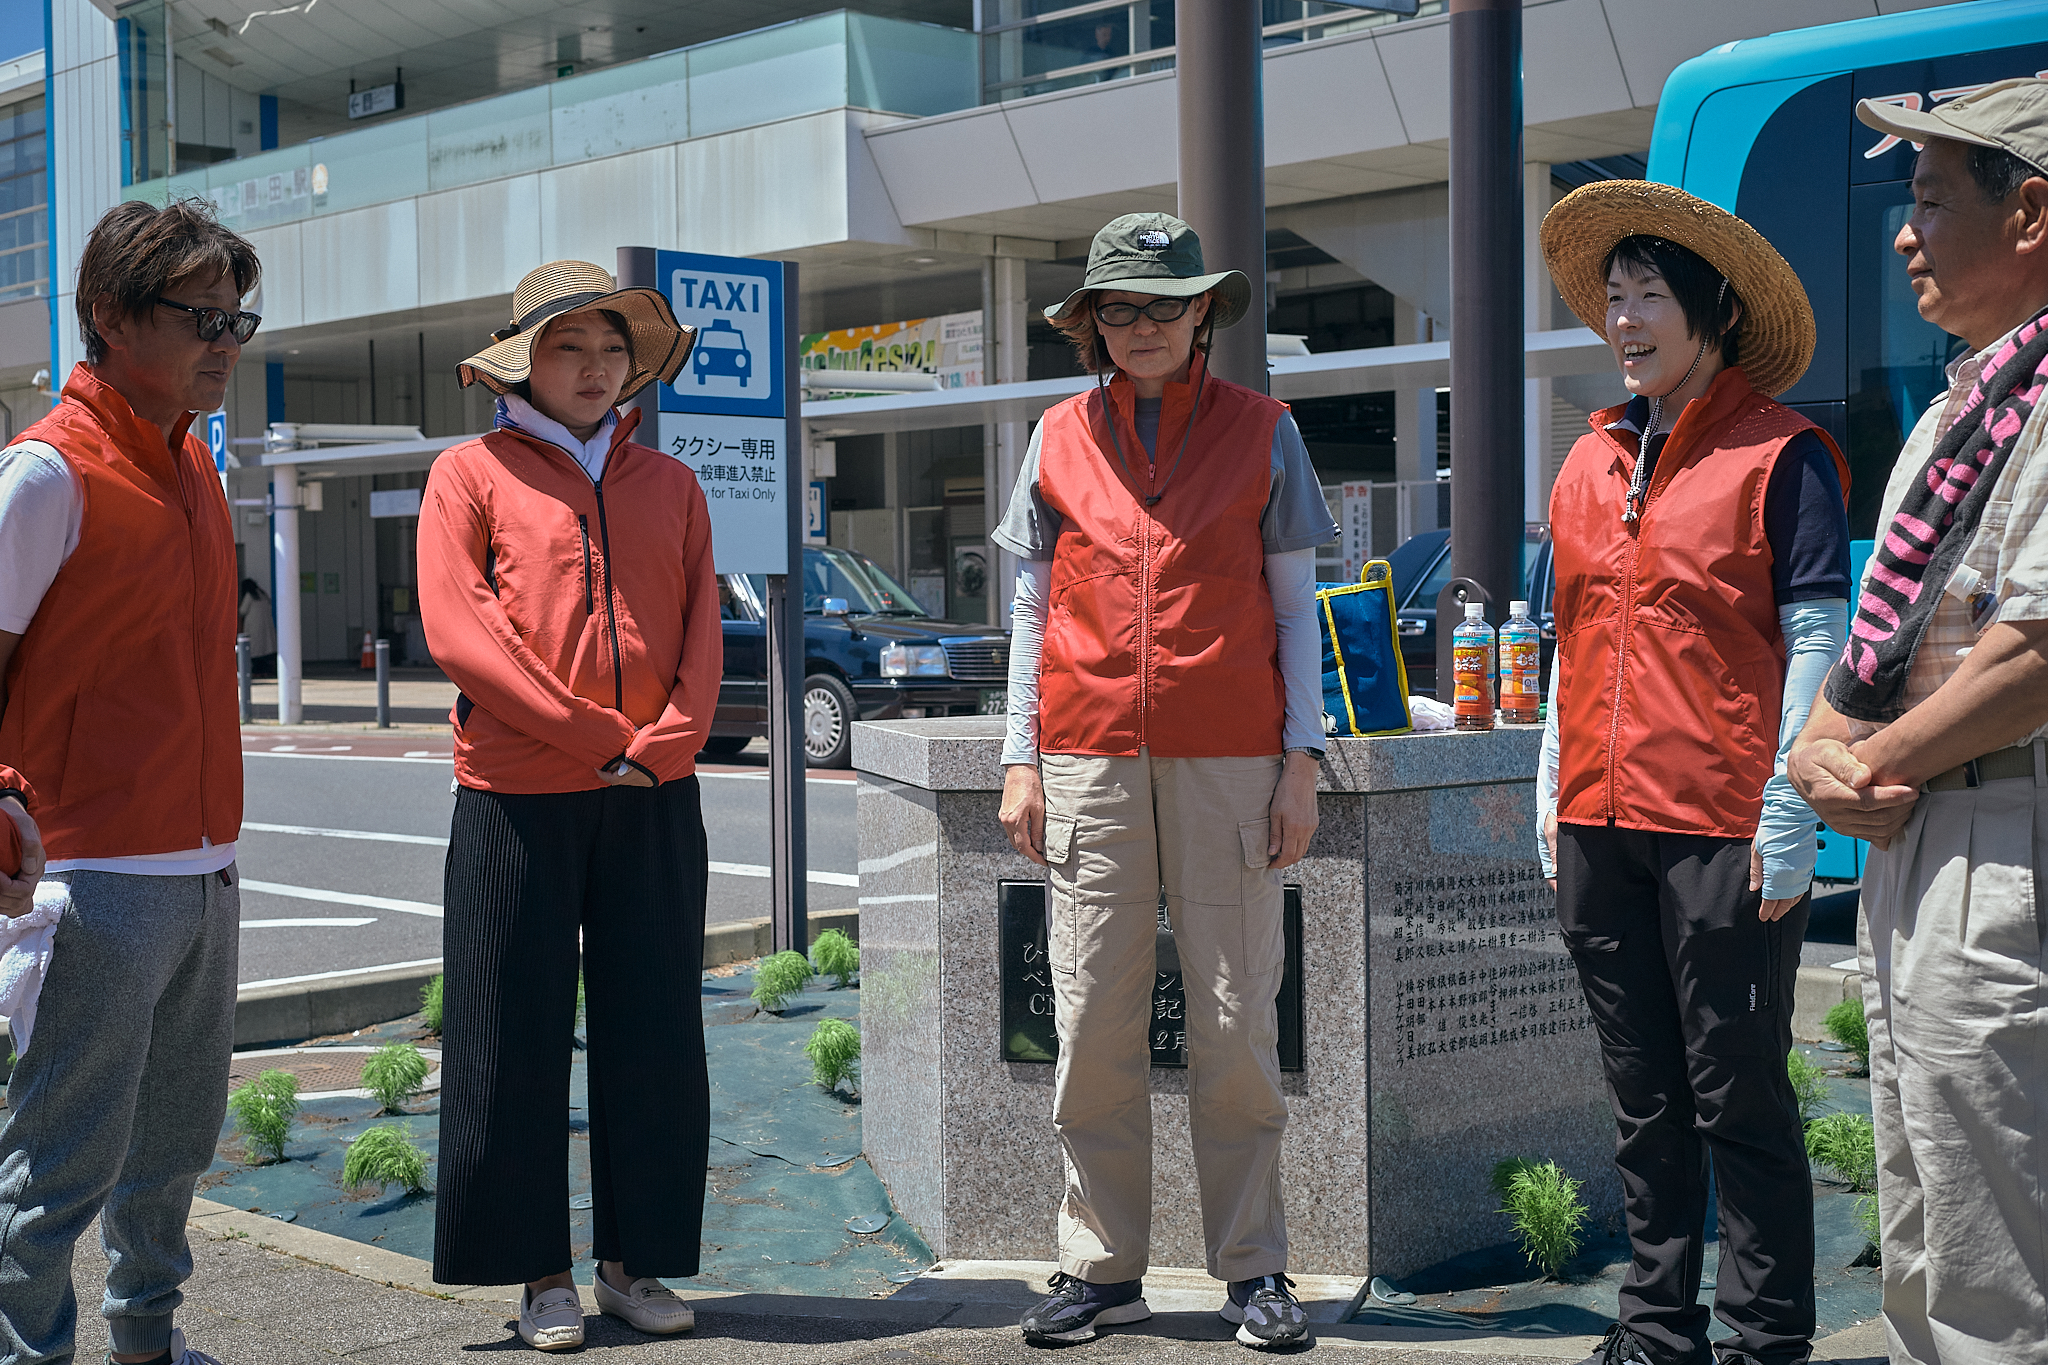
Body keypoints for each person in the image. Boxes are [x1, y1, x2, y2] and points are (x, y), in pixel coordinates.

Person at [993, 213, 1337, 1350]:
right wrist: (1018, 756)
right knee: (1091, 1014)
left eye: (1163, 304)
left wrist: (1300, 761)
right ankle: (1099, 1269)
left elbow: (1294, 611)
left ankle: (1252, 1272)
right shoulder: (1053, 436)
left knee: (1236, 1023)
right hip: (1085, 757)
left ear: (1204, 314)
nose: (1141, 327)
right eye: (1118, 308)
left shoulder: (1265, 432)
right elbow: (1031, 611)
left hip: (1232, 757)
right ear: (1090, 324)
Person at [1534, 182, 1853, 1365]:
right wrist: (1546, 792)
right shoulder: (1582, 461)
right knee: (1641, 1103)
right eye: (1612, 298)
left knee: (1738, 1098)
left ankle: (1764, 1337)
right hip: (1595, 822)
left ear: (1709, 310)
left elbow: (1815, 639)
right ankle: (1652, 1330)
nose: (1624, 321)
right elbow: (1563, 644)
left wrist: (1788, 805)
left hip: (1722, 825)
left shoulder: (1782, 455)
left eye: (1649, 295)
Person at [1787, 79, 2048, 1365]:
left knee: (1997, 1244)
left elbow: (2034, 656)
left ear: (2031, 212)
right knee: (1922, 1205)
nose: (1902, 233)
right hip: (1919, 829)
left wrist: (1853, 768)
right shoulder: (1961, 407)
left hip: (2006, 833)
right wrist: (1811, 757)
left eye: (1929, 199)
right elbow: (1881, 640)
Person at [419, 260, 713, 1353]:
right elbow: (462, 633)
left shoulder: (672, 485)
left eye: (609, 350)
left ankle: (631, 1266)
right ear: (523, 366)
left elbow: (696, 632)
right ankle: (538, 1275)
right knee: (511, 1035)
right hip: (514, 795)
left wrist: (669, 742)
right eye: (566, 349)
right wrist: (598, 736)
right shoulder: (468, 475)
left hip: (654, 793)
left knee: (653, 1033)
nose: (592, 369)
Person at [0, 198, 260, 1365]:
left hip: (203, 864)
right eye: (198, 316)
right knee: (60, 1160)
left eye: (237, 319)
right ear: (108, 315)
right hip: (91, 871)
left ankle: (147, 1339)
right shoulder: (49, 472)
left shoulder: (195, 465)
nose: (223, 341)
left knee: (173, 1145)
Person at [237, 577, 276, 675]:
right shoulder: (263, 594)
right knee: (264, 649)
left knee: (255, 650)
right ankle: (265, 670)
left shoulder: (250, 596)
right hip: (266, 626)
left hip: (254, 627)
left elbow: (242, 611)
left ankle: (258, 670)